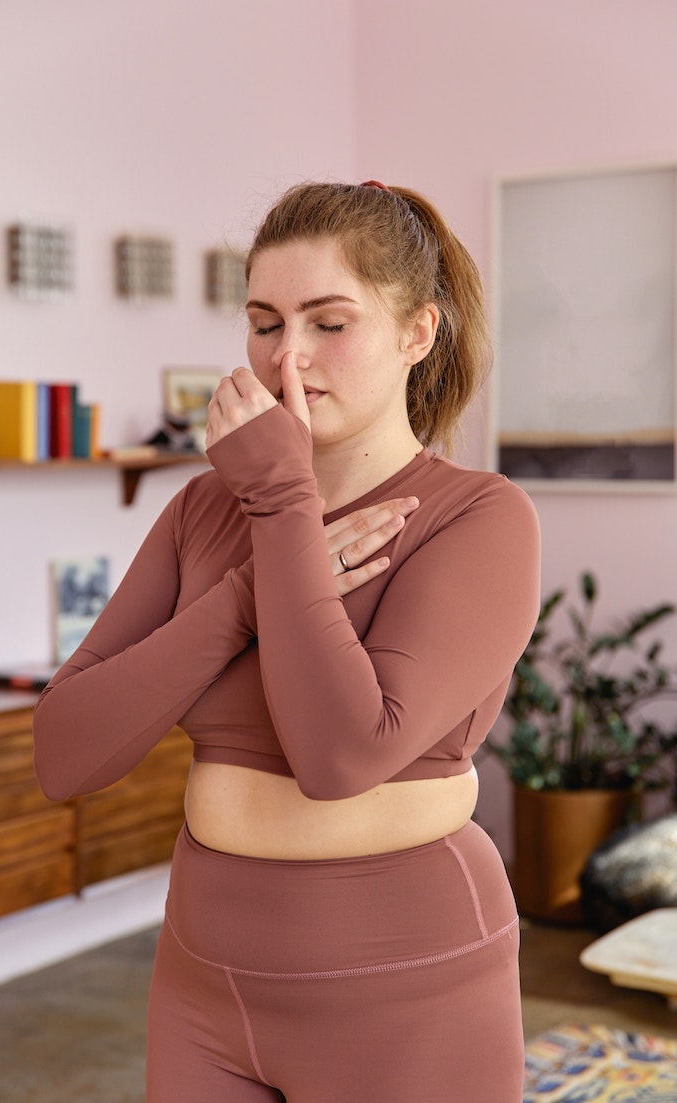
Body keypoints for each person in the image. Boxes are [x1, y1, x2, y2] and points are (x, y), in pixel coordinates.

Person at [33, 179, 540, 1102]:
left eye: (329, 322)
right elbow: (65, 751)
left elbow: (341, 753)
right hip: (205, 978)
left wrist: (279, 499)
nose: (288, 358)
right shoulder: (202, 511)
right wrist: (240, 598)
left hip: (407, 979)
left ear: (417, 333)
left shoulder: (479, 517)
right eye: (265, 323)